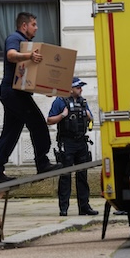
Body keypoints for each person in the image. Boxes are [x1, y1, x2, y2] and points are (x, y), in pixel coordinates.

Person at [0, 12, 56, 185]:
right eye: (34, 24)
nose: (37, 27)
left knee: (10, 134)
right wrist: (29, 56)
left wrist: (46, 88)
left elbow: (29, 75)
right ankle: (42, 163)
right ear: (24, 26)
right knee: (38, 124)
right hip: (13, 94)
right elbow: (11, 55)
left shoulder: (27, 45)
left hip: (15, 93)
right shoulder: (15, 38)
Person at [47, 76, 98, 216]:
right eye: (78, 87)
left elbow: (91, 119)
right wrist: (63, 115)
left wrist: (89, 116)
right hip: (67, 143)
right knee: (65, 176)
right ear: (69, 89)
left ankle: (84, 207)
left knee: (82, 175)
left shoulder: (83, 102)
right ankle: (64, 208)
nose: (80, 89)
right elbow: (50, 120)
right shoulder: (60, 101)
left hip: (81, 142)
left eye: (81, 87)